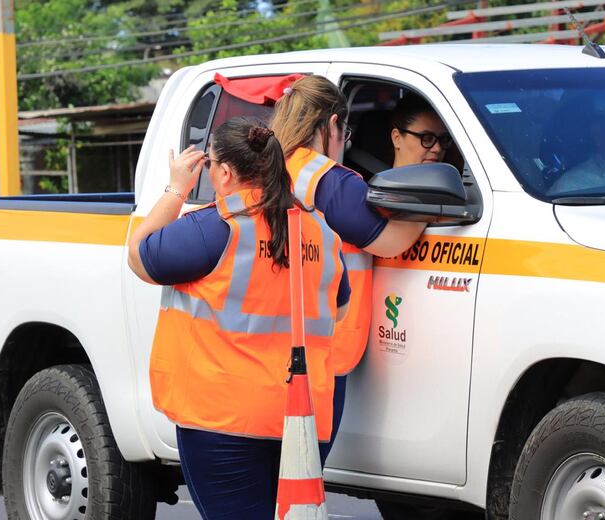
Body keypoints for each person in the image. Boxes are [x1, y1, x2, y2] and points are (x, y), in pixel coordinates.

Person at [127, 116, 349, 520]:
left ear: (226, 172)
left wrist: (176, 187)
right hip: (303, 419)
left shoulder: (215, 228)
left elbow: (139, 255)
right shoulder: (321, 232)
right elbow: (339, 307)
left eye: (211, 165)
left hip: (225, 423)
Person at [270, 76, 427, 462]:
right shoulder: (329, 181)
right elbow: (391, 240)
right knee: (300, 474)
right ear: (332, 126)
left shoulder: (272, 166)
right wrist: (429, 200)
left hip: (267, 343)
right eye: (346, 131)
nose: (346, 142)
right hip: (318, 349)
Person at [390, 93, 453, 168]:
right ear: (397, 138)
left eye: (444, 139)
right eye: (427, 138)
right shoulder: (379, 180)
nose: (438, 149)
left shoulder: (451, 178)